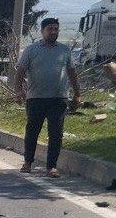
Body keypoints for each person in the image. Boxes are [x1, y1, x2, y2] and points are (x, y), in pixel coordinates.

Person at [13, 17, 81, 177]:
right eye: (50, 29)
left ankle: (51, 167)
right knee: (32, 131)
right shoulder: (31, 50)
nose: (53, 32)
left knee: (56, 133)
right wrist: (18, 91)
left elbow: (72, 73)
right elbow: (20, 72)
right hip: (36, 98)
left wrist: (77, 94)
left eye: (56, 29)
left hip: (59, 99)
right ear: (42, 31)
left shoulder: (64, 50)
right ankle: (28, 162)